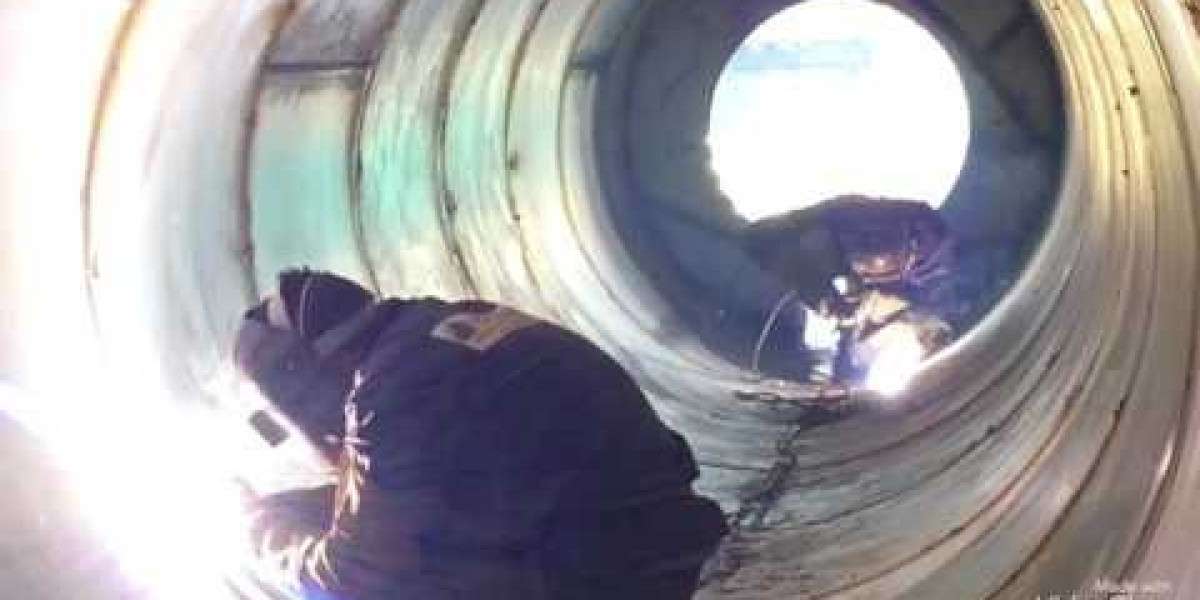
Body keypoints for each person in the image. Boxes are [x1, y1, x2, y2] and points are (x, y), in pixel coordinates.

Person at [233, 269, 727, 600]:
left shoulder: (391, 392)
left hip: (609, 576)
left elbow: (359, 579)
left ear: (300, 380)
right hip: (655, 539)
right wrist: (307, 507)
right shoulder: (437, 330)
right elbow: (434, 485)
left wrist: (264, 536)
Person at [740, 194, 960, 383]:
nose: (866, 261)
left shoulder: (932, 249)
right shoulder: (834, 218)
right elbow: (759, 239)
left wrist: (897, 310)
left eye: (877, 259)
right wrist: (816, 291)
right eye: (861, 253)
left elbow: (941, 309)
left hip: (910, 299)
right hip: (845, 276)